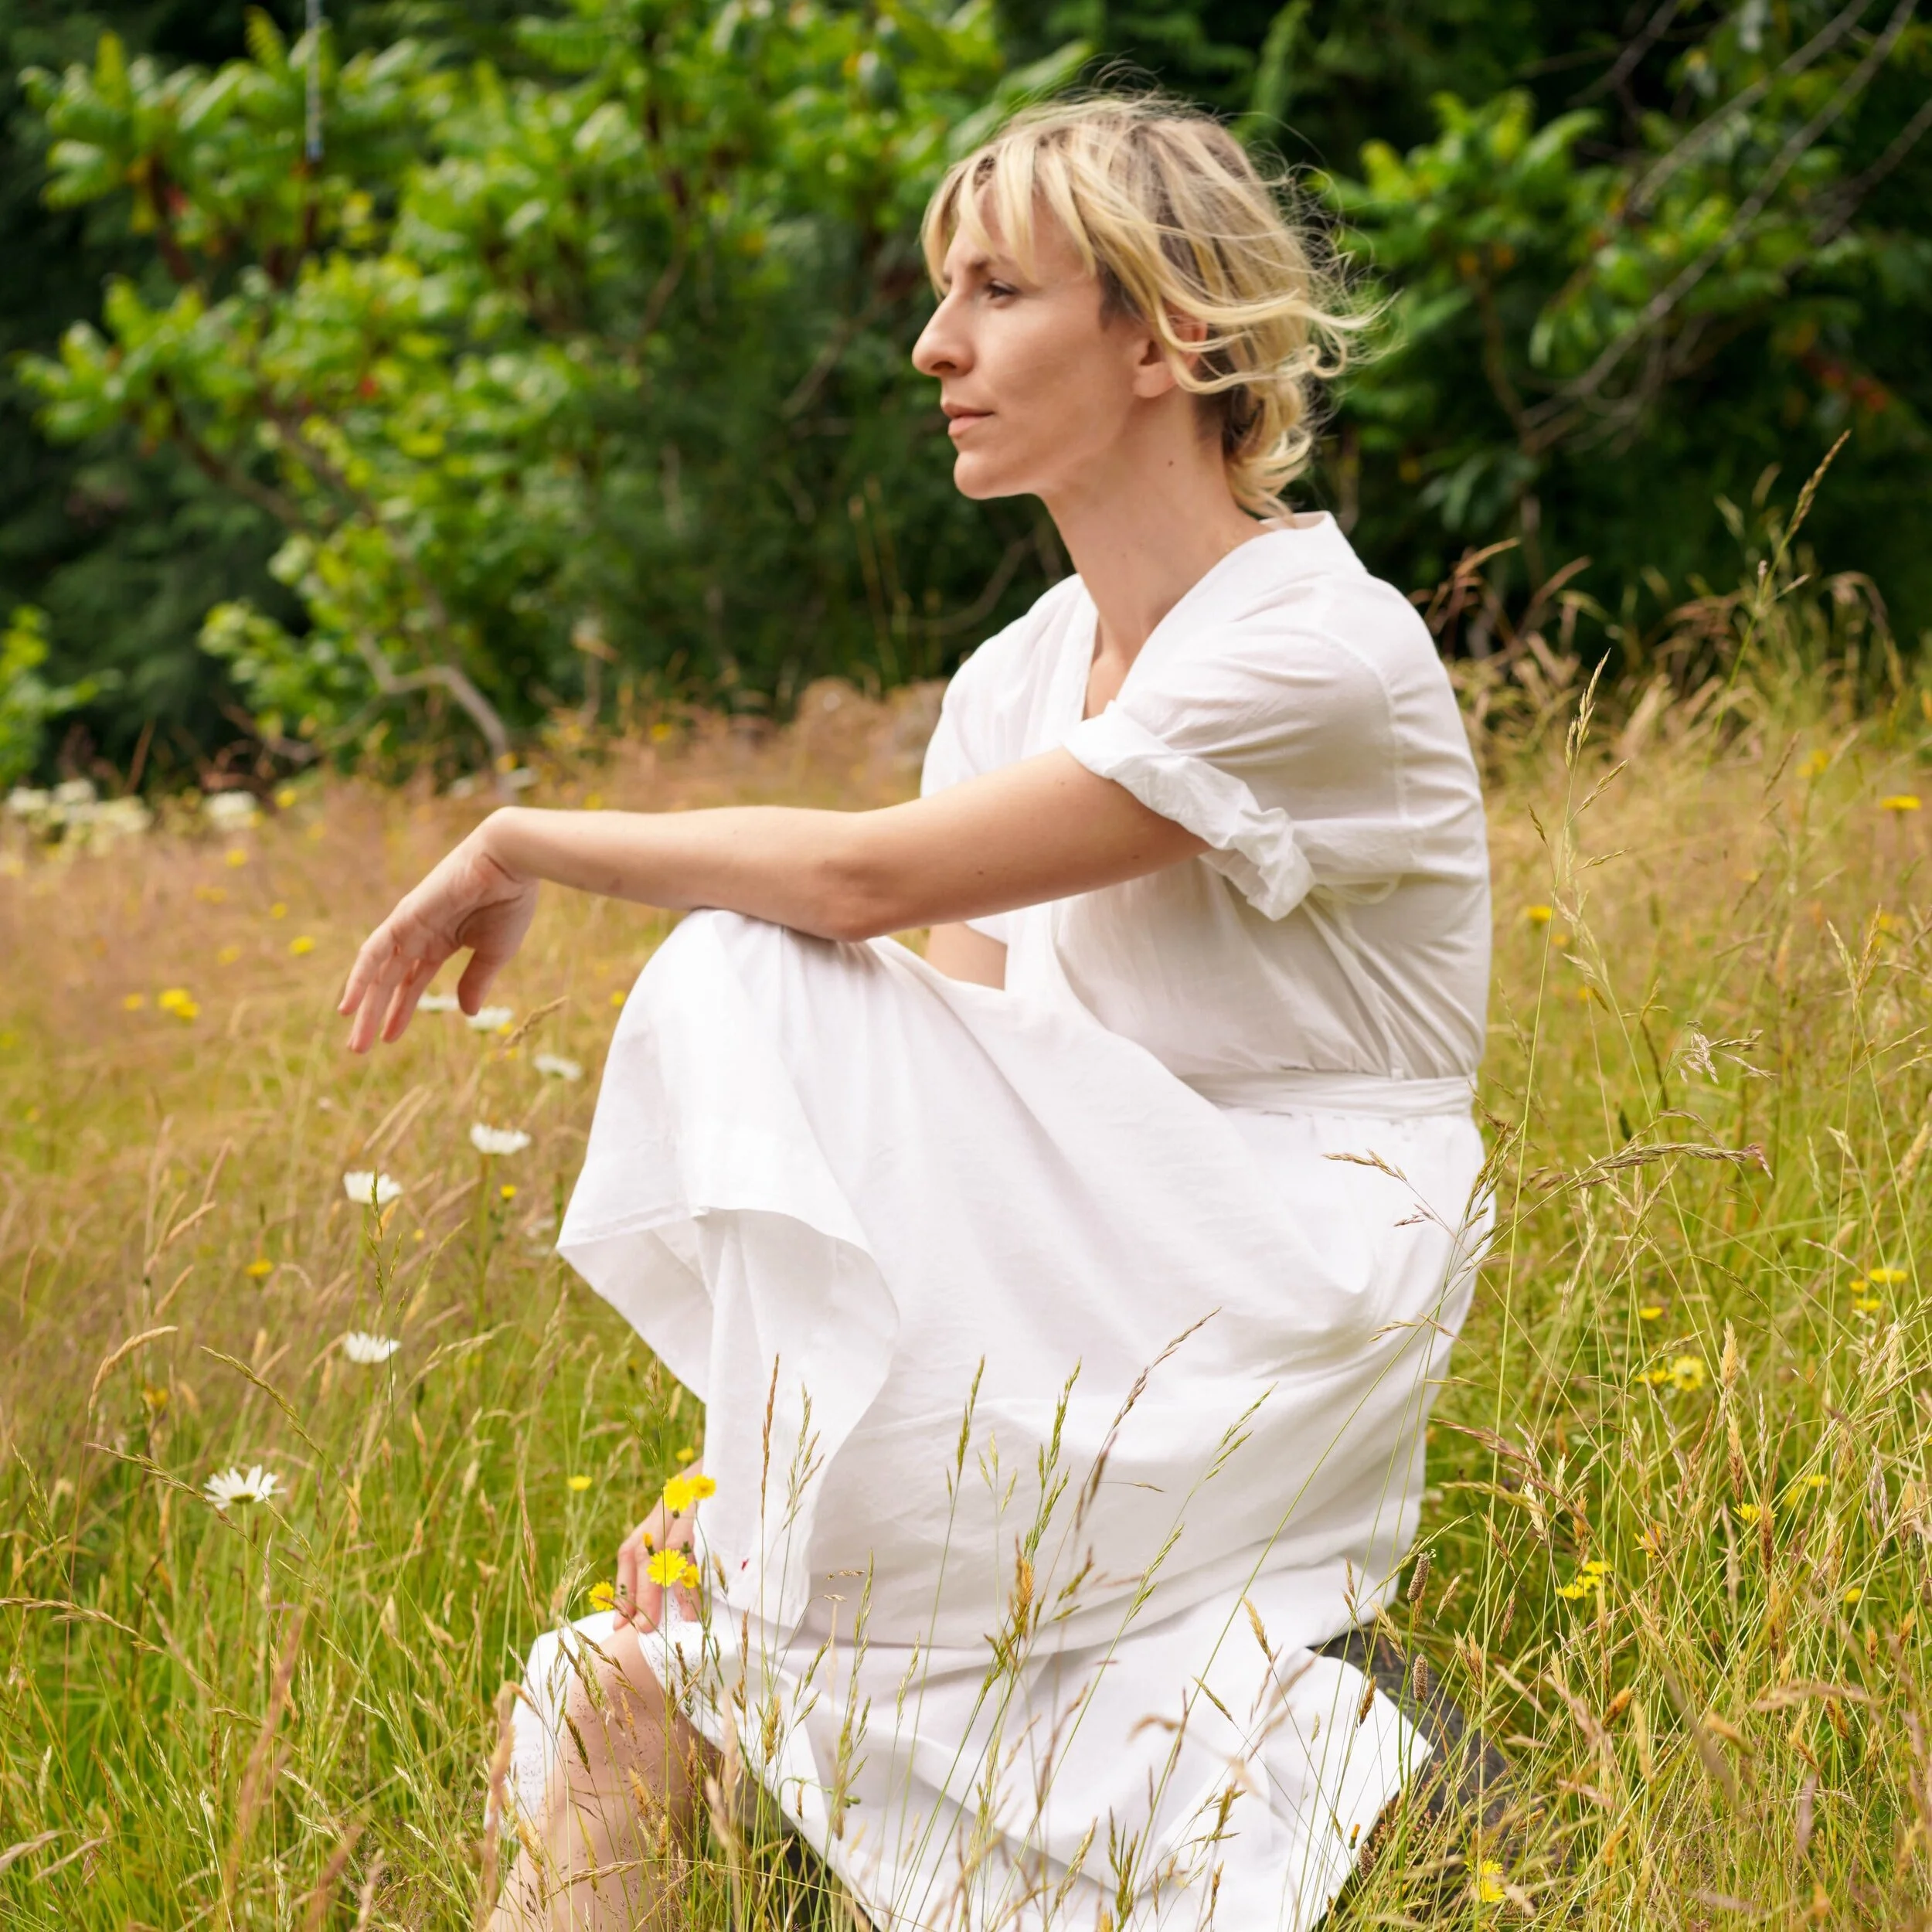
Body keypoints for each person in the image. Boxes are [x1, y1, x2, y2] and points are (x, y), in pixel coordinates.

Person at [339, 94, 1493, 1932]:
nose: (930, 343)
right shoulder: (1015, 676)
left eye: (993, 290)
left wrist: (518, 830)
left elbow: (859, 892)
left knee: (747, 951)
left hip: (1278, 1270)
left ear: (1159, 335)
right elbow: (929, 1113)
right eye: (940, 291)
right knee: (607, 1688)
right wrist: (738, 1486)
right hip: (1084, 1260)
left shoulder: (1309, 645)